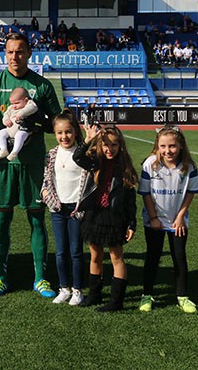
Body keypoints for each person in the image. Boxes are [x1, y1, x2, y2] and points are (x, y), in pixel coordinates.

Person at [0, 33, 62, 299]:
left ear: (29, 53)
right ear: (5, 54)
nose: (15, 57)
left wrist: (37, 123)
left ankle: (41, 278)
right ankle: (0, 277)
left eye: (20, 51)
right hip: (4, 164)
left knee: (37, 218)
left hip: (34, 162)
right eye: (11, 52)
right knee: (2, 220)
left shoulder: (42, 85)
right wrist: (7, 136)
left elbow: (56, 122)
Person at [73, 124, 138, 312]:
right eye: (106, 145)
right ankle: (94, 294)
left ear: (121, 146)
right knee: (95, 255)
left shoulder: (125, 169)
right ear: (100, 146)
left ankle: (116, 301)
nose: (110, 149)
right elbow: (77, 157)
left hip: (114, 217)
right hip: (94, 215)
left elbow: (130, 201)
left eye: (114, 145)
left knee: (116, 257)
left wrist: (131, 223)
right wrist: (88, 139)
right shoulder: (95, 162)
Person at [138, 126, 198, 314]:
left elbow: (190, 193)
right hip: (154, 221)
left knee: (179, 257)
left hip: (177, 221)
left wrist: (180, 217)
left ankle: (182, 296)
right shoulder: (150, 164)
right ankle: (146, 295)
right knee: (153, 257)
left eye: (172, 146)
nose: (167, 150)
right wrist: (154, 217)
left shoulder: (189, 166)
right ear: (157, 146)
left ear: (180, 145)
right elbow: (146, 193)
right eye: (163, 146)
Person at [41, 110, 86, 306]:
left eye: (68, 132)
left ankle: (77, 290)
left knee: (76, 250)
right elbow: (46, 180)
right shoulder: (51, 154)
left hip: (76, 210)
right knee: (60, 252)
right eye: (60, 133)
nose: (64, 136)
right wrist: (46, 196)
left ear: (75, 132)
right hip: (57, 209)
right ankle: (64, 288)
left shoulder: (82, 153)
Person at [0, 87, 39, 162]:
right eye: (12, 103)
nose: (14, 106)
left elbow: (33, 107)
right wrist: (6, 120)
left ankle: (14, 152)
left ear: (25, 100)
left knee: (20, 136)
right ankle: (3, 149)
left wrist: (21, 113)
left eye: (17, 103)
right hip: (10, 129)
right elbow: (5, 114)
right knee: (1, 133)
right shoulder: (11, 108)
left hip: (23, 129)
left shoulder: (29, 104)